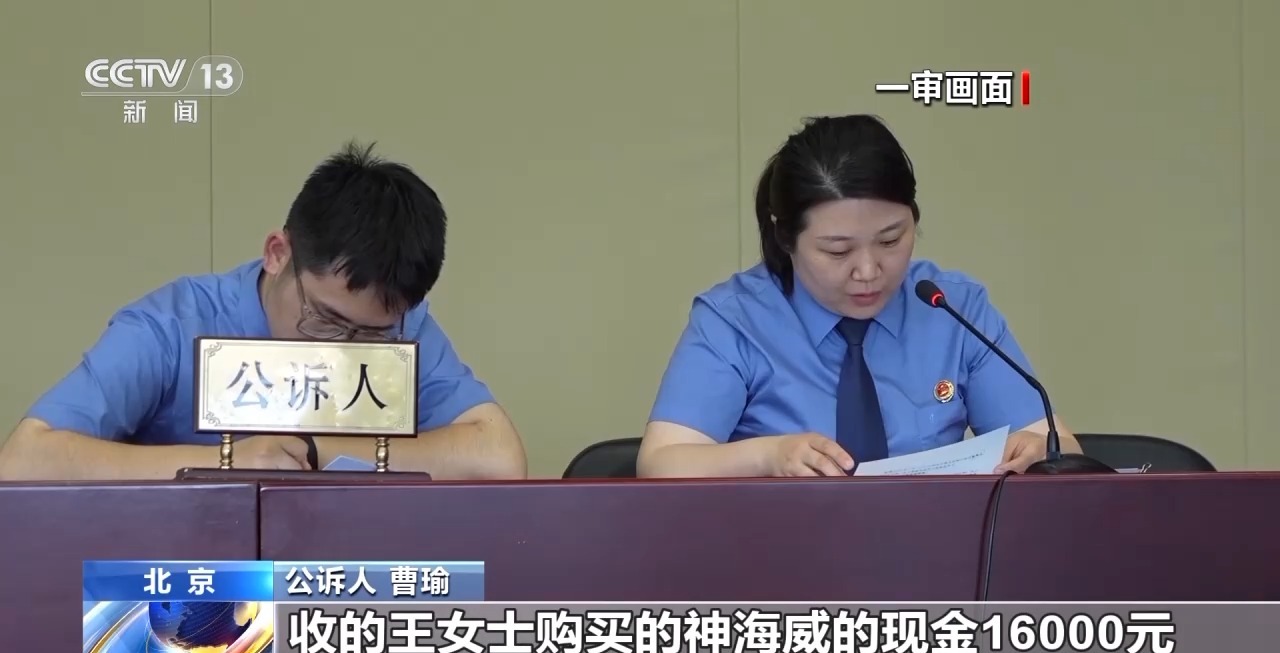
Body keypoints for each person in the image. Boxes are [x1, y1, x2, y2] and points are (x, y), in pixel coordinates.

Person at [0, 142, 526, 481]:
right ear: (278, 254)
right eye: (325, 319)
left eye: (368, 336)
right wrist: (231, 462)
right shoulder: (173, 325)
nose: (342, 352)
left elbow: (498, 458)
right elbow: (25, 460)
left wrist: (313, 450)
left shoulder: (398, 326)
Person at [637, 114, 1082, 478]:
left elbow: (1060, 447)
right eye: (838, 251)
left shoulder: (950, 308)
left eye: (891, 240)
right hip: (777, 551)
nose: (868, 271)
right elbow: (662, 464)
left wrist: (1037, 452)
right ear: (786, 238)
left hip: (934, 550)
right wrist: (768, 457)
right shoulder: (734, 320)